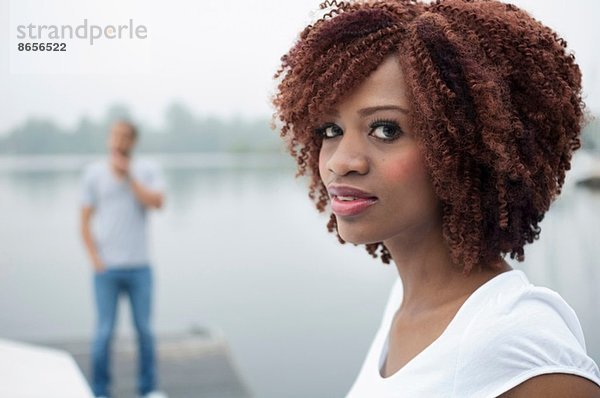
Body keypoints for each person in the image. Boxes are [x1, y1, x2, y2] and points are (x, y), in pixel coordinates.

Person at [272, 0, 600, 396]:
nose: (340, 162)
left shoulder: (517, 341)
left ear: (468, 146)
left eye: (386, 130)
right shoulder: (408, 303)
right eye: (330, 129)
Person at [80, 120, 167, 398]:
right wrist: (95, 260)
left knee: (145, 332)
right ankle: (100, 391)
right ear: (109, 139)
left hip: (140, 268)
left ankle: (148, 389)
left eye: (124, 137)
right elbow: (83, 221)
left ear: (133, 142)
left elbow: (157, 203)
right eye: (114, 136)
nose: (118, 142)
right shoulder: (93, 173)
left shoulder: (147, 169)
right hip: (106, 271)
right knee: (103, 334)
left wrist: (129, 177)